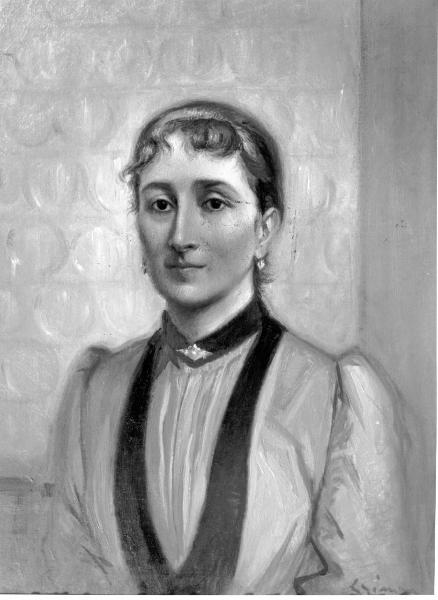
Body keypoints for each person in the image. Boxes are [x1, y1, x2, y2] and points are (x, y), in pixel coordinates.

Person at [42, 100, 421, 594]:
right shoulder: (94, 392)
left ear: (265, 228)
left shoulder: (334, 397)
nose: (181, 236)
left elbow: (366, 586)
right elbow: (69, 579)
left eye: (214, 203)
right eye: (161, 205)